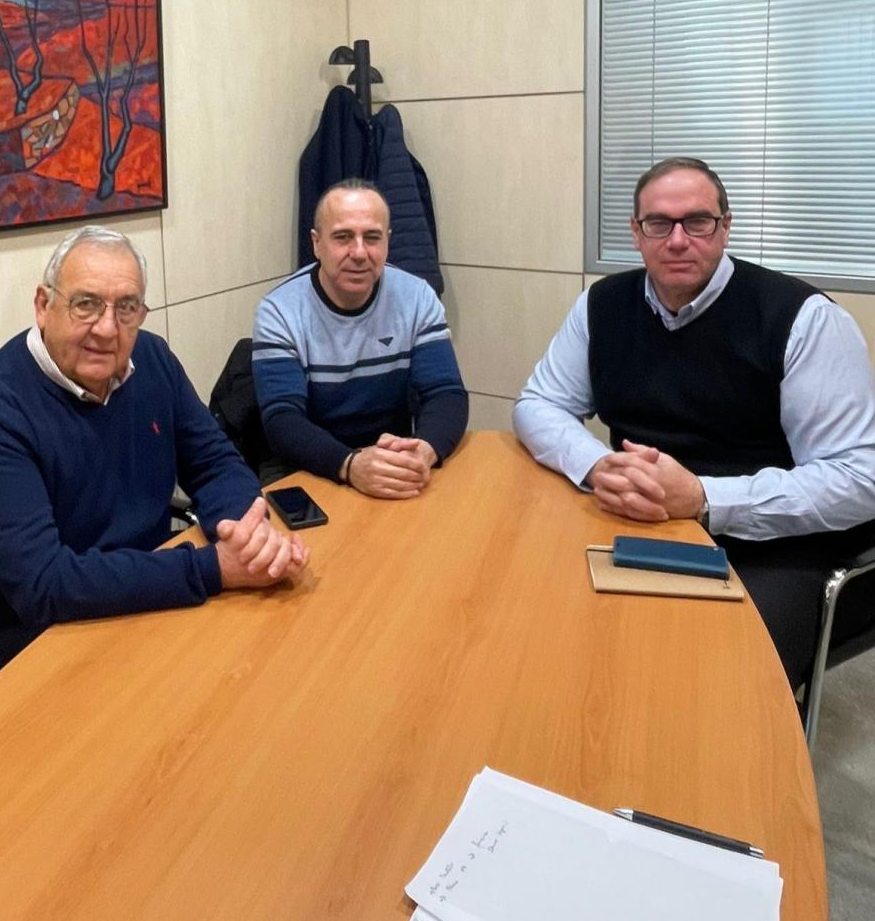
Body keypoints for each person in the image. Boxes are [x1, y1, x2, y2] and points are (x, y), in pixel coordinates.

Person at [513, 157, 875, 688]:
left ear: (725, 227)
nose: (678, 240)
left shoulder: (803, 319)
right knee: (541, 621)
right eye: (659, 223)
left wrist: (704, 498)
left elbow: (860, 479)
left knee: (713, 678)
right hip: (641, 517)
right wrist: (597, 465)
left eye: (698, 222)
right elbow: (538, 404)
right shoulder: (602, 305)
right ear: (637, 234)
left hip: (771, 540)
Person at [0, 226, 310, 700]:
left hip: (139, 596)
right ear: (43, 305)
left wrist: (246, 532)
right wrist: (212, 569)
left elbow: (213, 462)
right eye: (86, 304)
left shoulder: (153, 359)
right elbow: (44, 585)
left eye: (126, 307)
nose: (107, 329)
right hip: (25, 634)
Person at [252, 179, 468, 498]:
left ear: (387, 241)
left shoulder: (417, 297)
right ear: (316, 243)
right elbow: (283, 419)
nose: (359, 252)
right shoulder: (280, 310)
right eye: (342, 237)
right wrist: (350, 465)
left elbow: (446, 393)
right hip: (312, 469)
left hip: (392, 465)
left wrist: (423, 451)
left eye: (372, 237)